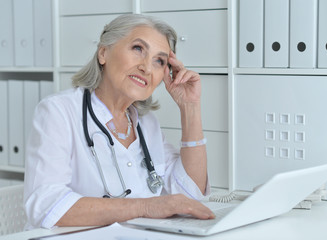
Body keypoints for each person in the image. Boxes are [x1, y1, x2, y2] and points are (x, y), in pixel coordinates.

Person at [23, 14, 214, 229]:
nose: (146, 68)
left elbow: (191, 193)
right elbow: (45, 205)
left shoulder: (146, 123)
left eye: (159, 61)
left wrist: (190, 107)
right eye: (138, 49)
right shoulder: (58, 111)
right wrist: (146, 207)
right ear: (103, 53)